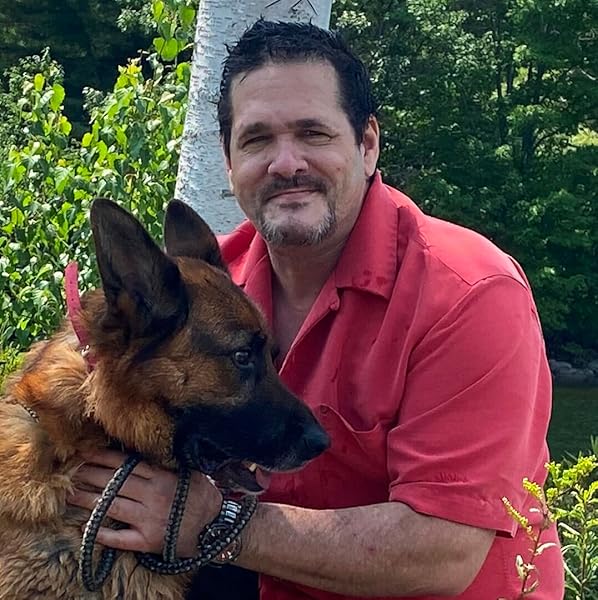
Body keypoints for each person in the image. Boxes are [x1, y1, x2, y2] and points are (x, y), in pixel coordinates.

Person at [69, 19, 565, 599]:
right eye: (257, 140)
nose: (286, 163)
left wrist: (211, 521)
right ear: (229, 162)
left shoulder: (468, 293)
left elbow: (442, 551)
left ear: (367, 144)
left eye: (313, 133)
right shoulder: (211, 289)